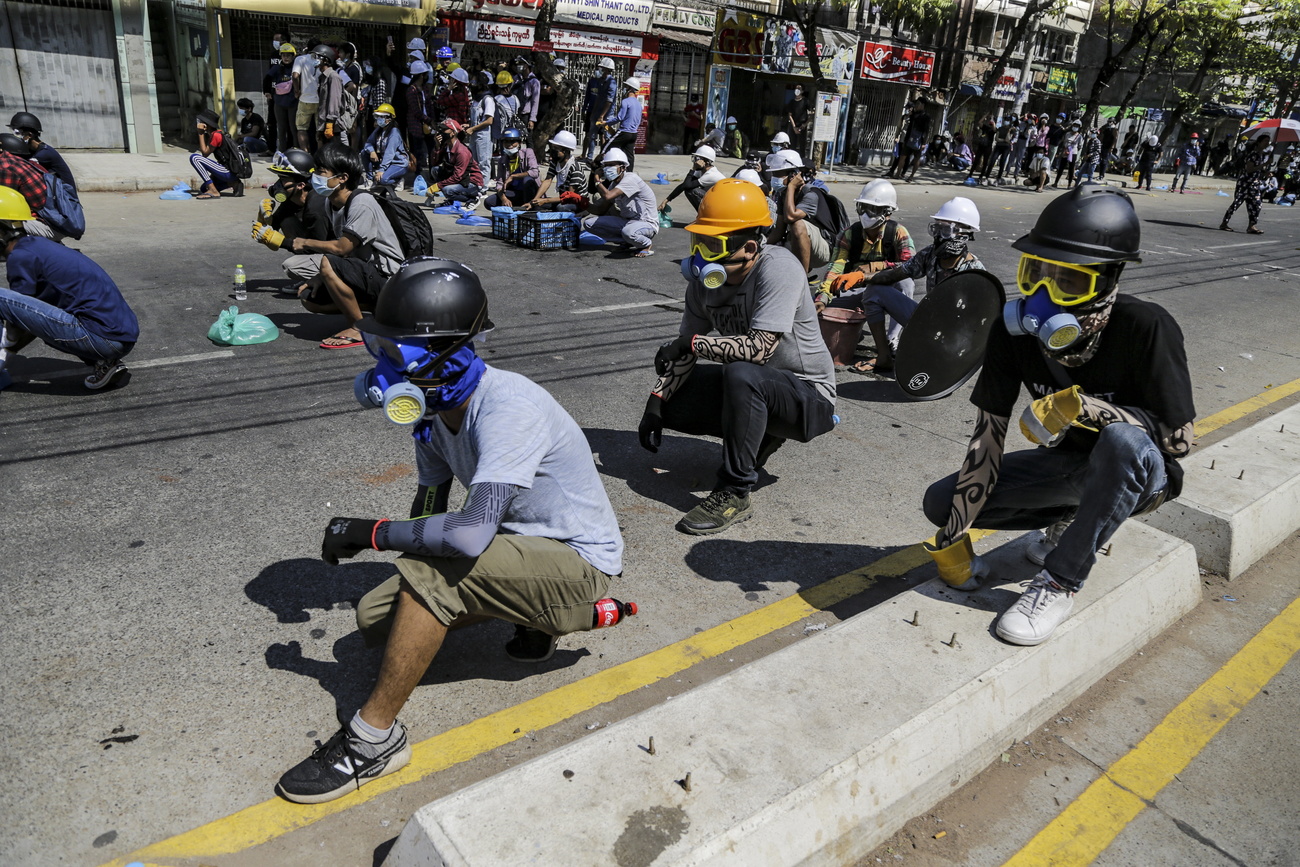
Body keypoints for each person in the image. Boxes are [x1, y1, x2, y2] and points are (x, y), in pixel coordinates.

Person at [275, 258, 628, 803]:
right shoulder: (435, 416)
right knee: (373, 621)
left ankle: (375, 741)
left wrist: (371, 533)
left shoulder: (508, 409)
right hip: (515, 544)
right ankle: (528, 612)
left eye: (399, 352)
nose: (384, 365)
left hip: (576, 559)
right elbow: (431, 506)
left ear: (446, 352)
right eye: (381, 349)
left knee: (431, 572)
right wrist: (402, 535)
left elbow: (464, 538)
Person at [921, 185, 1193, 646]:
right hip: (1066, 468)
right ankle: (1073, 518)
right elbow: (987, 438)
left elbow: (1179, 441)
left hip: (1142, 474)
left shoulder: (1146, 327)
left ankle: (1059, 581)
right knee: (940, 503)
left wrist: (1087, 407)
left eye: (1069, 281)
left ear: (1109, 279)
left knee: (1121, 443)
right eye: (1036, 273)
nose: (1045, 294)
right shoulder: (1014, 336)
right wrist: (952, 537)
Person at [639, 178, 837, 534]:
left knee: (742, 372)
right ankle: (758, 435)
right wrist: (656, 401)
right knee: (679, 396)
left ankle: (734, 490)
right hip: (758, 388)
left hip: (809, 397)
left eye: (711, 245)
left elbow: (759, 349)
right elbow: (685, 346)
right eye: (697, 242)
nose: (699, 257)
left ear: (748, 247)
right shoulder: (703, 286)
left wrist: (691, 345)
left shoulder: (778, 268)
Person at [0, 186, 138, 392]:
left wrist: (5, 352)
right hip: (120, 336)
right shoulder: (38, 245)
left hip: (104, 339)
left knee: (3, 298)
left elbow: (18, 324)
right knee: (49, 312)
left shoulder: (21, 258)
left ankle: (101, 357)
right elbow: (32, 319)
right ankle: (104, 363)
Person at [287, 143, 403, 349]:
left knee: (327, 262)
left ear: (342, 178)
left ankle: (359, 328)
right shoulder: (330, 202)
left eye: (322, 172)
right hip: (366, 272)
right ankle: (377, 309)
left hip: (389, 278)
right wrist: (319, 278)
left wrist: (305, 242)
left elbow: (342, 249)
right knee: (309, 299)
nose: (316, 177)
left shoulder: (361, 202)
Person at [850, 196, 983, 373]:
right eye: (936, 228)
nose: (938, 236)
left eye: (945, 230)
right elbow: (894, 275)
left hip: (953, 338)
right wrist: (862, 277)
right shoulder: (930, 254)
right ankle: (884, 357)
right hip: (927, 321)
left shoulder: (975, 271)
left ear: (964, 234)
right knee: (875, 291)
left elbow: (977, 324)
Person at [816, 179, 915, 370]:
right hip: (855, 291)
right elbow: (834, 270)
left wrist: (877, 266)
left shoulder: (898, 232)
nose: (866, 214)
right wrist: (822, 298)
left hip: (887, 291)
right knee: (820, 309)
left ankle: (891, 339)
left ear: (887, 212)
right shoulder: (849, 234)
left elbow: (910, 265)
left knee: (907, 282)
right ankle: (853, 329)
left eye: (873, 209)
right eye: (863, 207)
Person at [251, 149, 335, 293]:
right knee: (287, 220)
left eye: (283, 180)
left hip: (337, 255)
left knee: (292, 266)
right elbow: (273, 227)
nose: (277, 185)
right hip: (320, 247)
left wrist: (284, 243)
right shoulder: (293, 200)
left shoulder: (316, 207)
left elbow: (319, 246)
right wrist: (264, 218)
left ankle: (325, 281)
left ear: (301, 184)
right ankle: (316, 278)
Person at [580, 148, 657, 257]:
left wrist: (597, 179)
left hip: (646, 224)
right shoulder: (613, 185)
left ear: (623, 167)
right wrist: (581, 202)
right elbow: (600, 210)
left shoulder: (630, 179)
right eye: (605, 165)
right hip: (627, 222)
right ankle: (626, 241)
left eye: (611, 165)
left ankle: (646, 244)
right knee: (589, 224)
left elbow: (607, 196)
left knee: (628, 232)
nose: (607, 169)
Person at [765, 149, 831, 274]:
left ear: (793, 174)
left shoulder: (811, 193)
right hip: (798, 244)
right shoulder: (783, 194)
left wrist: (791, 187)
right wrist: (761, 247)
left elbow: (791, 217)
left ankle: (802, 276)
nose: (774, 178)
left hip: (823, 250)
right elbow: (779, 231)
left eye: (778, 174)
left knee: (797, 224)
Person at [520, 130, 587, 212]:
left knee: (561, 208)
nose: (553, 151)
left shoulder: (575, 169)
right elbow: (548, 180)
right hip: (564, 200)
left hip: (577, 203)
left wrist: (545, 200)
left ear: (565, 151)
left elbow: (570, 196)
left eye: (556, 149)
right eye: (553, 147)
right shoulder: (556, 162)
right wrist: (534, 200)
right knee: (536, 206)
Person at [9, 111, 75, 190]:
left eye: (18, 133)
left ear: (30, 135)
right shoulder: (33, 151)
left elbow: (23, 168)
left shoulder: (44, 154)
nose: (16, 137)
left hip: (65, 197)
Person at [1220, 133, 1272, 233]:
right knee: (1236, 203)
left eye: (1268, 141)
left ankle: (1251, 226)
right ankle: (1224, 223)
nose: (1267, 143)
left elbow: (1257, 170)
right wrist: (1264, 165)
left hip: (1254, 184)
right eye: (1265, 141)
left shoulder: (1261, 155)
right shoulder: (1253, 154)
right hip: (1245, 183)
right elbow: (1249, 169)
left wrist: (1265, 172)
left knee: (1256, 205)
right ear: (1259, 142)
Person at [427, 120, 484, 209]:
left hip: (470, 182)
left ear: (453, 133)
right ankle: (451, 200)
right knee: (435, 170)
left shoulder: (462, 151)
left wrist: (438, 186)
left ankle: (473, 199)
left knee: (447, 190)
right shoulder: (446, 146)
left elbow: (458, 176)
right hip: (459, 178)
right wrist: (437, 147)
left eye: (444, 130)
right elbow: (435, 163)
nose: (441, 132)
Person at [189, 108, 244, 199]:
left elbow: (205, 153)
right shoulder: (215, 134)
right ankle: (234, 183)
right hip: (228, 172)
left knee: (195, 158)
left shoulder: (216, 135)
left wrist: (200, 133)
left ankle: (213, 190)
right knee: (203, 189)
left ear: (206, 124)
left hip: (227, 171)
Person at [659, 145, 724, 214]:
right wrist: (666, 200)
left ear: (706, 161)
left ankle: (704, 216)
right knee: (689, 190)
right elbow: (684, 185)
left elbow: (687, 185)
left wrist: (693, 169)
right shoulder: (701, 171)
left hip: (722, 205)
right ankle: (702, 216)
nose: (695, 161)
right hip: (716, 202)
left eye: (698, 159)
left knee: (693, 191)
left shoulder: (711, 174)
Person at [484, 129, 538, 208]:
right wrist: (504, 199)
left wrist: (513, 176)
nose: (509, 145)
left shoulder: (528, 153)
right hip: (514, 192)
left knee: (527, 179)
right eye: (506, 142)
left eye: (512, 142)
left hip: (530, 193)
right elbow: (499, 184)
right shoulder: (502, 160)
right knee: (489, 202)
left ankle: (529, 208)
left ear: (519, 143)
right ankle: (515, 207)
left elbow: (534, 172)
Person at [600, 78, 642, 170]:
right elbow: (638, 119)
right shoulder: (639, 104)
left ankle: (598, 168)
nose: (624, 89)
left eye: (626, 86)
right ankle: (629, 174)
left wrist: (606, 123)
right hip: (633, 134)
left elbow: (619, 117)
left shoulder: (625, 101)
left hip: (624, 132)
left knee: (605, 147)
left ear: (630, 89)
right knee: (629, 155)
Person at [362, 103, 407, 187]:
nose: (379, 119)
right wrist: (371, 151)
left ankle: (397, 181)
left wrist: (381, 170)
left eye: (382, 117)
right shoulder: (379, 130)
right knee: (364, 153)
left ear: (389, 118)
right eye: (378, 116)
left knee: (383, 180)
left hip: (397, 164)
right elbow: (368, 143)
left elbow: (390, 153)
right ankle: (370, 180)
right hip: (385, 162)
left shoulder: (394, 132)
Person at [887, 97, 931, 181]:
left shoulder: (926, 116)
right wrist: (905, 139)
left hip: (919, 140)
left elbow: (926, 130)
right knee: (902, 156)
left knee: (916, 158)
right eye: (916, 104)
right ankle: (897, 173)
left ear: (923, 105)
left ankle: (911, 176)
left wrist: (924, 143)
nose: (916, 106)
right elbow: (909, 128)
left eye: (918, 104)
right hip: (909, 138)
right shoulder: (913, 115)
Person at [583, 58, 618, 160]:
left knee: (607, 136)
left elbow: (609, 101)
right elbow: (598, 98)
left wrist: (602, 116)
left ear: (607, 69)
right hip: (597, 114)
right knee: (591, 135)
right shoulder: (600, 81)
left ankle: (606, 158)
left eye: (602, 68)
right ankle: (590, 157)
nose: (600, 70)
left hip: (606, 116)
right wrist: (594, 113)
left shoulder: (612, 83)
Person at [313, 45, 345, 147]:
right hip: (323, 123)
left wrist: (330, 123)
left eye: (317, 57)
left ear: (325, 60)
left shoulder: (333, 76)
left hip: (331, 126)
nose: (314, 60)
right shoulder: (322, 77)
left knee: (332, 156)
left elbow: (334, 101)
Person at [269, 43, 299, 154]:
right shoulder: (276, 68)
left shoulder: (296, 68)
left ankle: (296, 152)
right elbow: (267, 79)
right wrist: (267, 92)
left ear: (293, 56)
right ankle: (281, 152)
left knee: (294, 129)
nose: (286, 58)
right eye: (283, 55)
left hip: (293, 103)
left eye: (288, 55)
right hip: (279, 103)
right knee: (281, 129)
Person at [293, 39, 321, 152]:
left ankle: (305, 153)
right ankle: (320, 155)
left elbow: (295, 76)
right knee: (319, 130)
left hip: (304, 99)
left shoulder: (300, 59)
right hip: (319, 100)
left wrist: (297, 91)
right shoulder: (322, 61)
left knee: (301, 128)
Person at [466, 71, 496, 177]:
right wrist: (469, 126)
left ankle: (483, 187)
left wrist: (473, 129)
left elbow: (489, 121)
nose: (472, 84)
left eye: (474, 81)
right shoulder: (476, 100)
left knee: (484, 162)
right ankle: (475, 183)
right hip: (474, 134)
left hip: (484, 135)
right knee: (473, 161)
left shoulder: (488, 100)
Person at [490, 71, 520, 152]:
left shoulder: (496, 99)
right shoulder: (515, 98)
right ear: (510, 84)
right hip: (513, 128)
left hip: (501, 129)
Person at [513, 56, 541, 132]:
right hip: (515, 113)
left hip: (526, 115)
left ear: (527, 65)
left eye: (522, 63)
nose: (519, 65)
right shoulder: (516, 78)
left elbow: (535, 101)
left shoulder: (534, 81)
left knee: (528, 138)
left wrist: (532, 119)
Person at [987, 117, 1016, 182]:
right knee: (992, 160)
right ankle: (987, 175)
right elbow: (996, 138)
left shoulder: (1012, 130)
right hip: (998, 146)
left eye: (1008, 120)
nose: (1006, 121)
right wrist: (1003, 140)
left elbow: (1008, 140)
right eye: (1005, 120)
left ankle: (999, 177)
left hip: (1006, 147)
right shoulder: (1000, 128)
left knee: (1002, 162)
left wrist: (1008, 131)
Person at [1053, 121, 1081, 187]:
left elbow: (1080, 146)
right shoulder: (1067, 134)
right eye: (1074, 126)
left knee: (1071, 169)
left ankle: (1069, 184)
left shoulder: (1079, 136)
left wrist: (1072, 149)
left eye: (1077, 126)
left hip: (1073, 153)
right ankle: (1056, 182)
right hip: (1065, 152)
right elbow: (1063, 142)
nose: (1075, 128)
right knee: (1061, 167)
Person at [786, 85, 810, 155]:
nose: (797, 90)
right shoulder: (792, 102)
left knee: (802, 145)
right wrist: (794, 127)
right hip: (793, 126)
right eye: (796, 88)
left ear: (802, 91)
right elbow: (790, 115)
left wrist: (805, 124)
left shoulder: (806, 101)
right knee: (792, 144)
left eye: (799, 89)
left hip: (802, 126)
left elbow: (811, 114)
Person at [970, 115, 996, 181]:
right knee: (976, 161)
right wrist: (985, 116)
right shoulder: (985, 127)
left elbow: (994, 129)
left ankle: (981, 176)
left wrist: (993, 122)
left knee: (985, 162)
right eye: (990, 119)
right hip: (981, 145)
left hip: (988, 147)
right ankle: (970, 174)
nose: (990, 121)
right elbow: (979, 123)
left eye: (992, 119)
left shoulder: (993, 129)